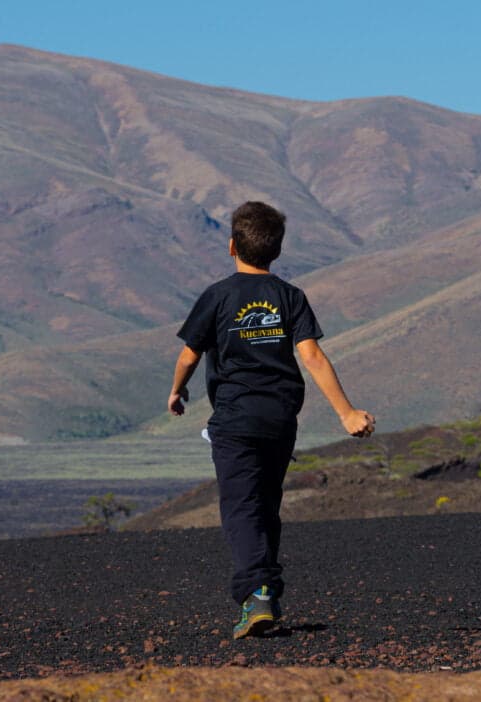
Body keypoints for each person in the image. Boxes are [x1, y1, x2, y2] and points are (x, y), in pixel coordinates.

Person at [168, 200, 375, 639]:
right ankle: (264, 593)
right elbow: (312, 357)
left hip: (236, 420)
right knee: (265, 505)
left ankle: (258, 594)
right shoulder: (289, 296)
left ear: (231, 246)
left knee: (242, 508)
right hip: (280, 419)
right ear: (276, 251)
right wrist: (347, 413)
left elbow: (189, 352)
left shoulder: (218, 296)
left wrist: (177, 389)